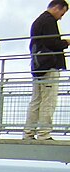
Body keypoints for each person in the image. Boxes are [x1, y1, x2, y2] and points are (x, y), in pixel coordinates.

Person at [24, 0, 69, 141]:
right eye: (63, 13)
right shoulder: (49, 21)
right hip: (48, 65)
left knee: (36, 100)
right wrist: (66, 42)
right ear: (57, 8)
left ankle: (28, 133)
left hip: (38, 66)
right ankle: (44, 134)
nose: (61, 17)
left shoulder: (38, 21)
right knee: (49, 100)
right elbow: (52, 43)